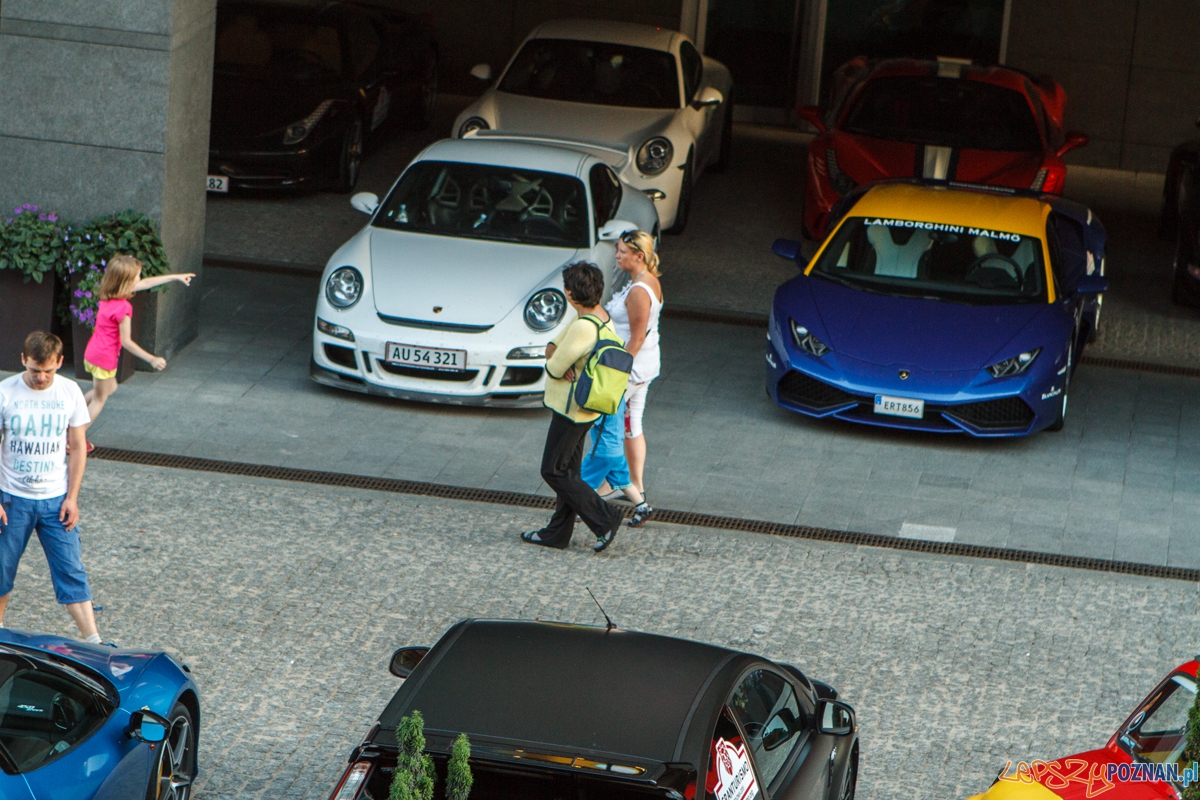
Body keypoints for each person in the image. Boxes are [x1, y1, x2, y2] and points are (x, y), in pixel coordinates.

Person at [0, 332, 105, 644]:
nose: (41, 377)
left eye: (48, 370)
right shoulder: (6, 392)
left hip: (55, 498)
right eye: (34, 370)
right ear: (23, 360)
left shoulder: (70, 392)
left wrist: (72, 497)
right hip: (12, 499)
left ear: (60, 362)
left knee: (71, 568)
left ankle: (94, 641)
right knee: (1, 569)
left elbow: (77, 446)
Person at [521, 262, 624, 553]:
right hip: (587, 409)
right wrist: (559, 357)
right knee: (569, 472)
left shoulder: (581, 327)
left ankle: (605, 518)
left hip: (571, 409)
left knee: (553, 470)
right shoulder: (600, 317)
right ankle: (557, 532)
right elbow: (555, 346)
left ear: (569, 293)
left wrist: (559, 362)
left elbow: (553, 364)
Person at [82, 254, 194, 437]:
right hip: (105, 358)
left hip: (92, 353)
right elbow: (127, 342)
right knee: (99, 399)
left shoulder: (106, 295)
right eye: (137, 277)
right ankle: (73, 438)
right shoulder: (124, 308)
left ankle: (73, 409)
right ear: (126, 282)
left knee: (109, 388)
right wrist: (152, 359)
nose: (140, 280)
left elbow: (147, 283)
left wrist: (175, 277)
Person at [606, 230, 662, 526]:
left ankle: (607, 487)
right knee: (632, 424)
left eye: (622, 251)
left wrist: (617, 372)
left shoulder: (639, 291)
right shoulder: (647, 282)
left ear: (638, 256)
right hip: (645, 366)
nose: (617, 255)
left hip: (633, 369)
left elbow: (636, 338)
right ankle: (635, 487)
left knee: (606, 424)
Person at [580, 396, 647, 509]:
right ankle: (643, 507)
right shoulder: (620, 398)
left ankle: (583, 512)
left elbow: (590, 422)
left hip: (601, 452)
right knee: (625, 483)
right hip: (618, 452)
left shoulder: (602, 401)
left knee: (584, 483)